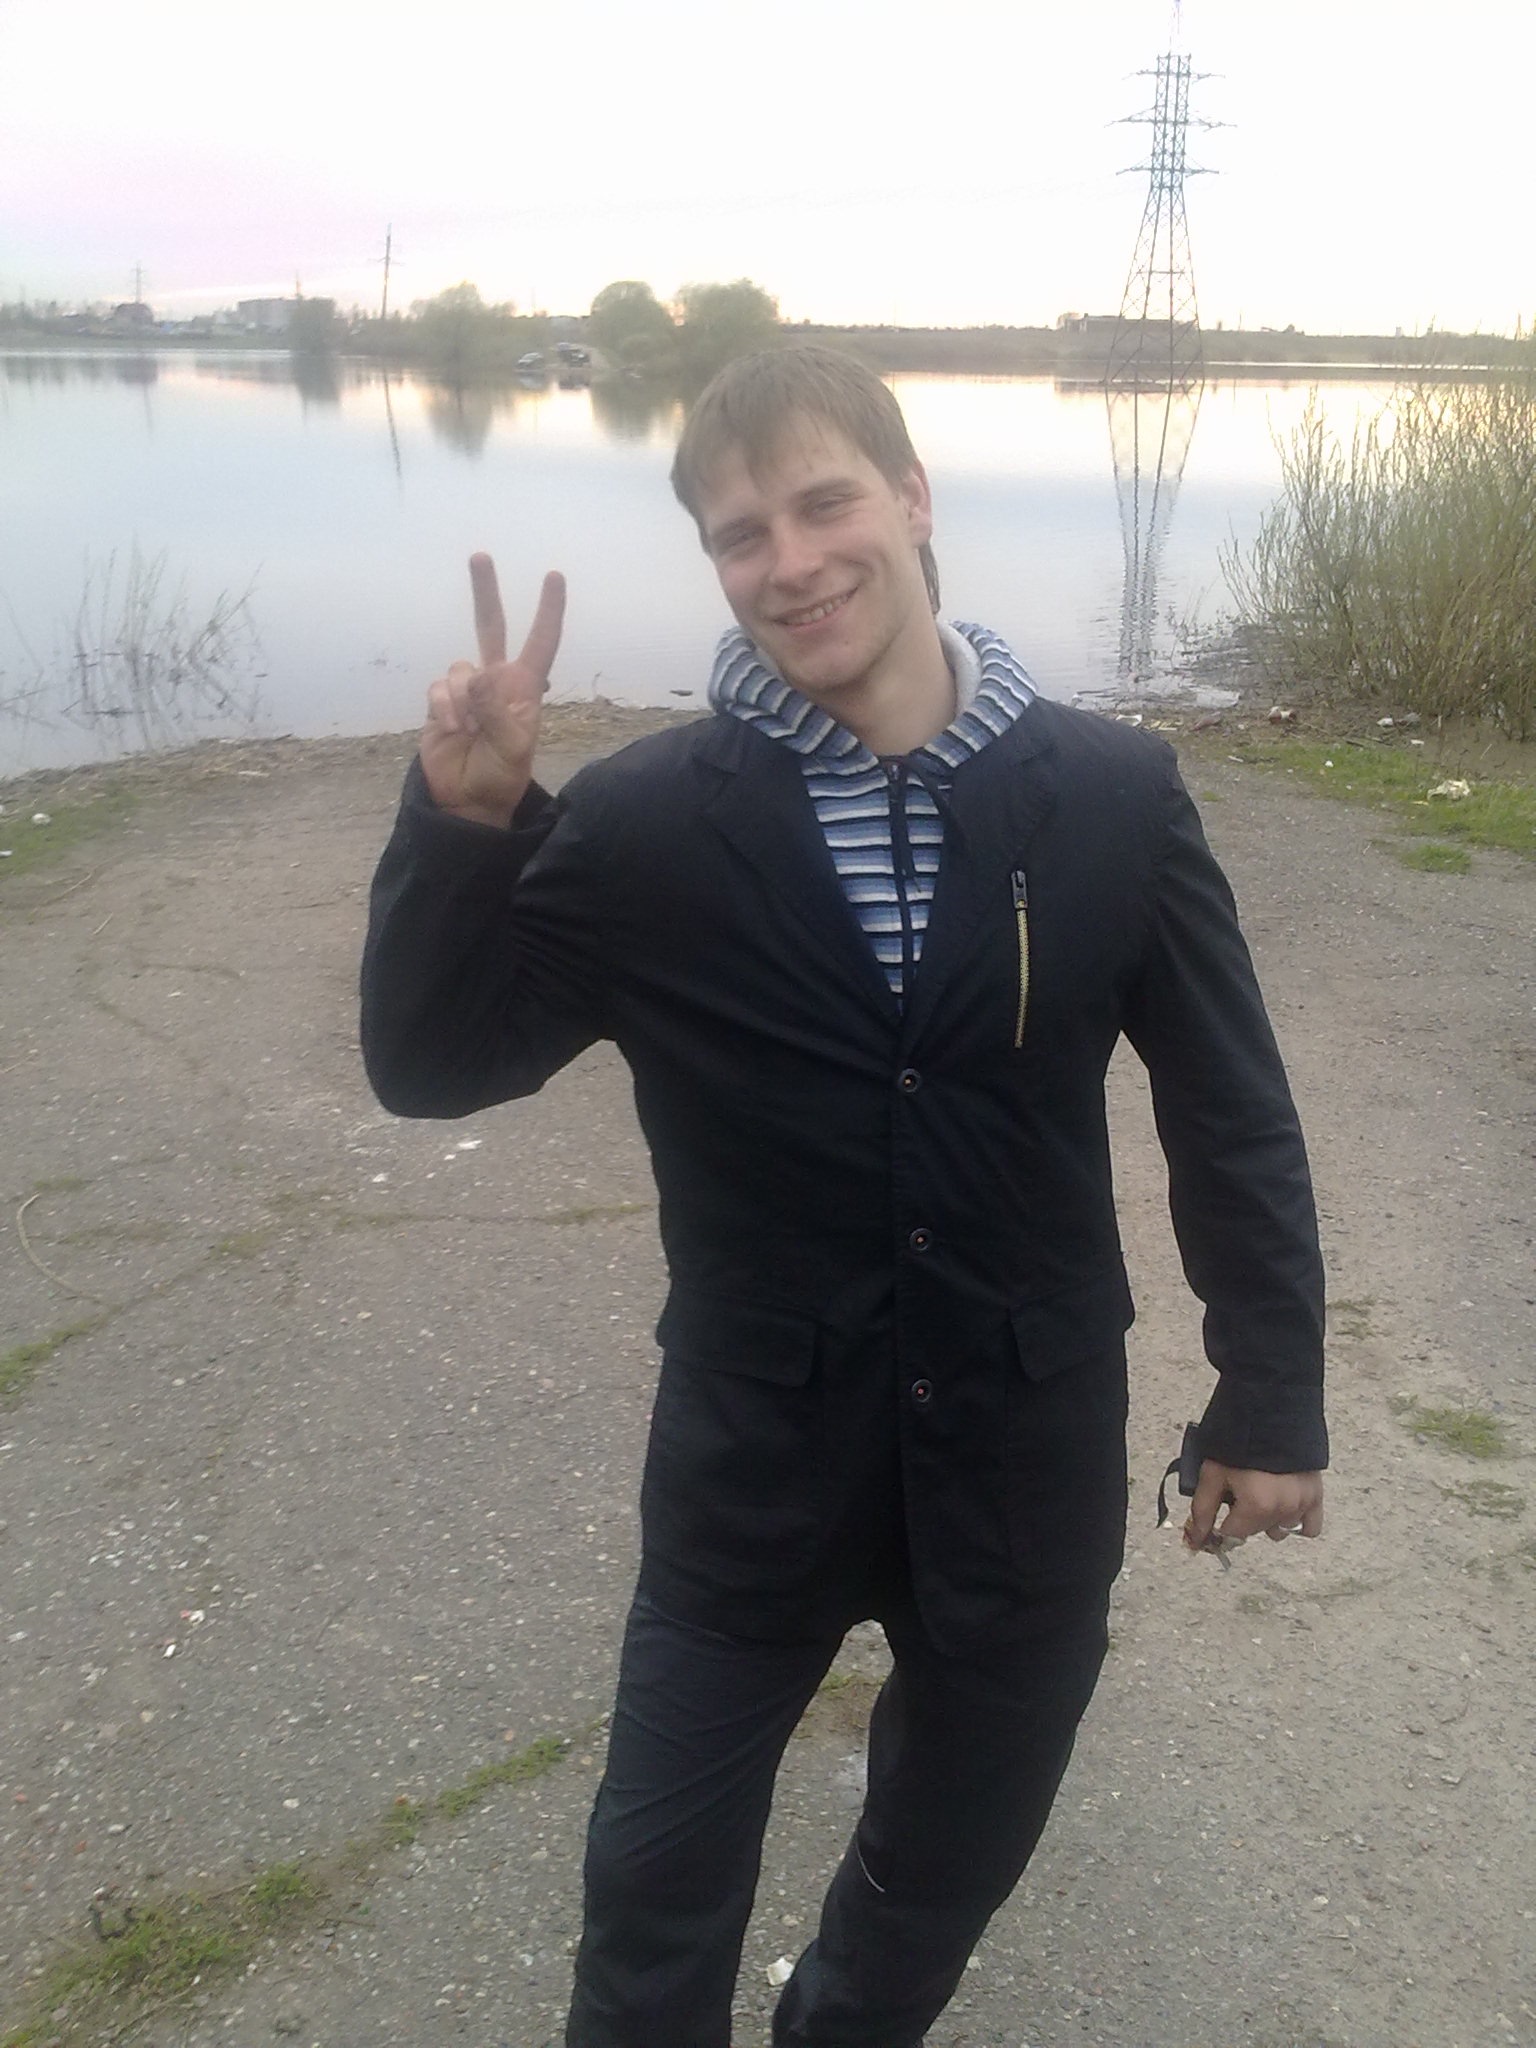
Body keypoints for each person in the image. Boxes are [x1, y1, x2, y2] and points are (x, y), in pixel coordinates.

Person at [361, 345, 1327, 2048]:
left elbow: (1228, 1107)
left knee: (933, 1881)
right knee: (650, 1906)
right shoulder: (650, 827)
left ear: (913, 498)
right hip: (754, 1472)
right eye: (742, 535)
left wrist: (1271, 1394)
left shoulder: (1114, 796)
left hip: (1025, 1458)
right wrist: (465, 826)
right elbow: (433, 1064)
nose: (791, 562)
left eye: (824, 504)